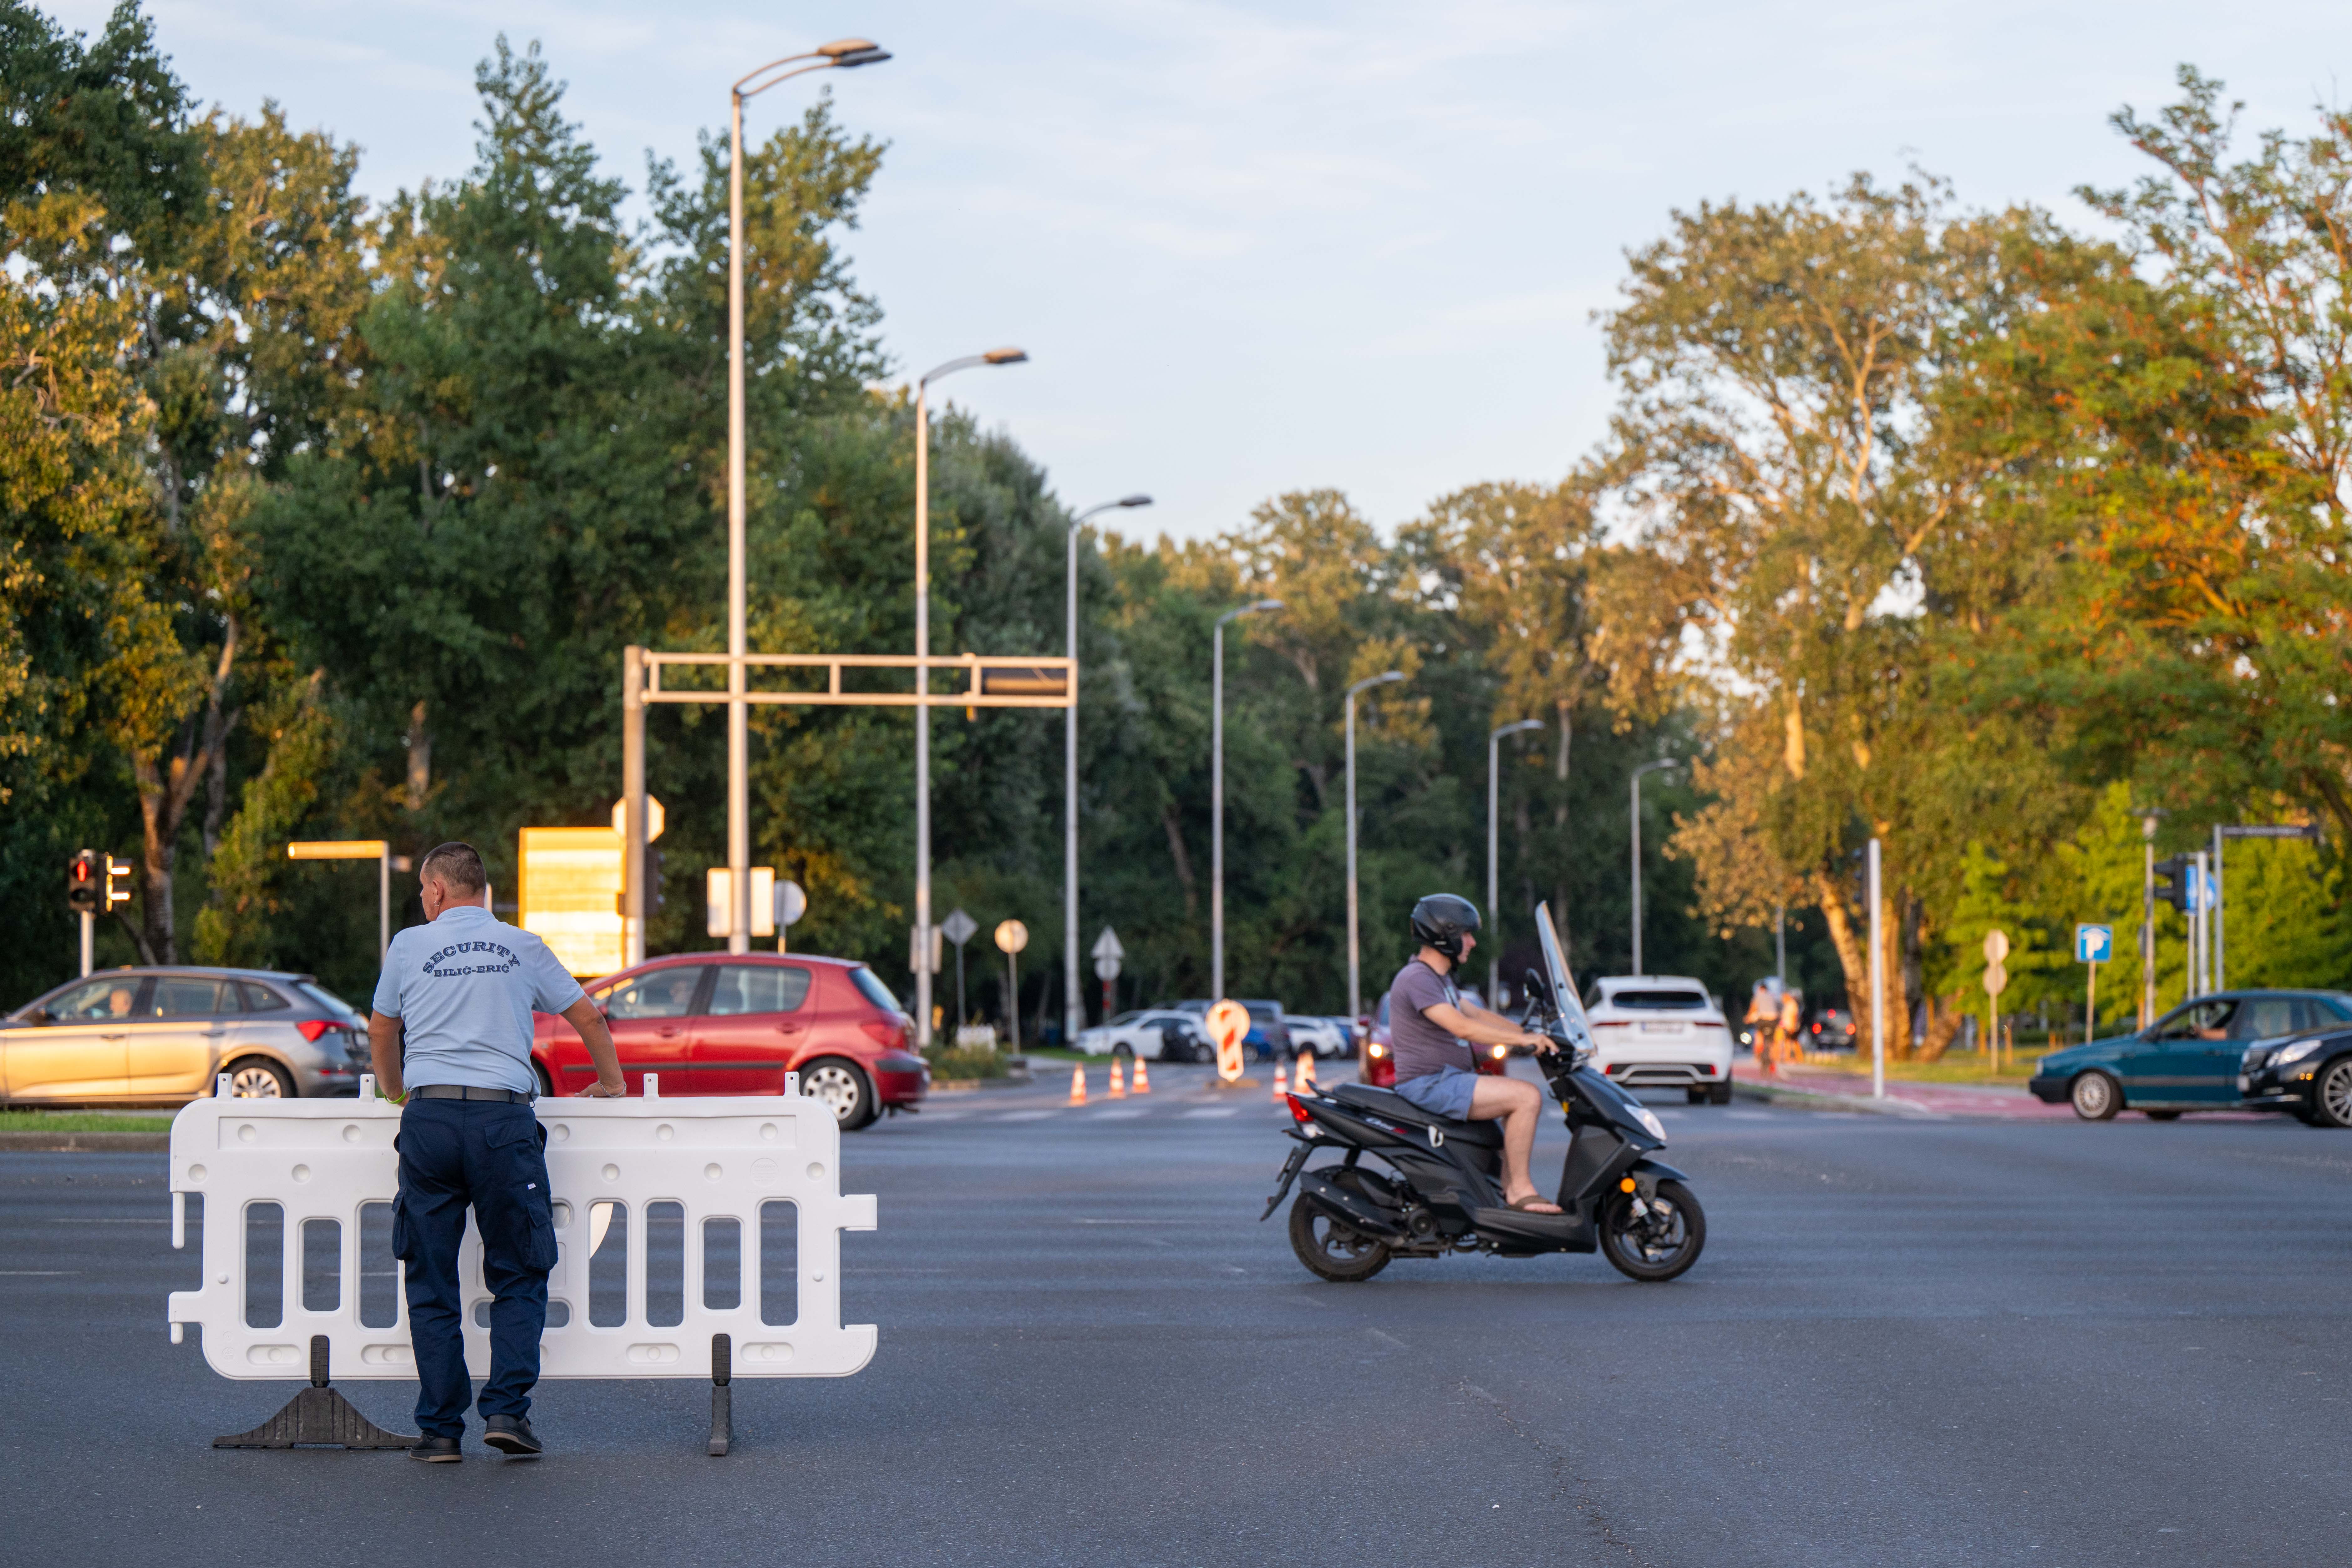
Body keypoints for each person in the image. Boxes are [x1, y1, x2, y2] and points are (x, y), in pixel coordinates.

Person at [366, 840, 624, 1464]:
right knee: (519, 1269)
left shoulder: (408, 945)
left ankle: (440, 1430)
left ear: (435, 892)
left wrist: (397, 1092)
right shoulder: (522, 945)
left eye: (424, 892)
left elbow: (381, 1028)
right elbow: (588, 1016)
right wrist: (612, 1081)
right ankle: (507, 1410)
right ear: (482, 890)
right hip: (502, 1120)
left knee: (430, 1276)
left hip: (428, 1119)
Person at [1384, 893, 1562, 1214]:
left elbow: (1475, 1014)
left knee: (1507, 1118)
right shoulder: (1417, 979)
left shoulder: (1439, 979)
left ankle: (1507, 1190)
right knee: (1526, 1097)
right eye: (1466, 935)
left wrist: (1528, 1034)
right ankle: (1519, 1191)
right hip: (1430, 1083)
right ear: (1445, 935)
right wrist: (1523, 1042)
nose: (1472, 943)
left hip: (1445, 1080)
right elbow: (1462, 1027)